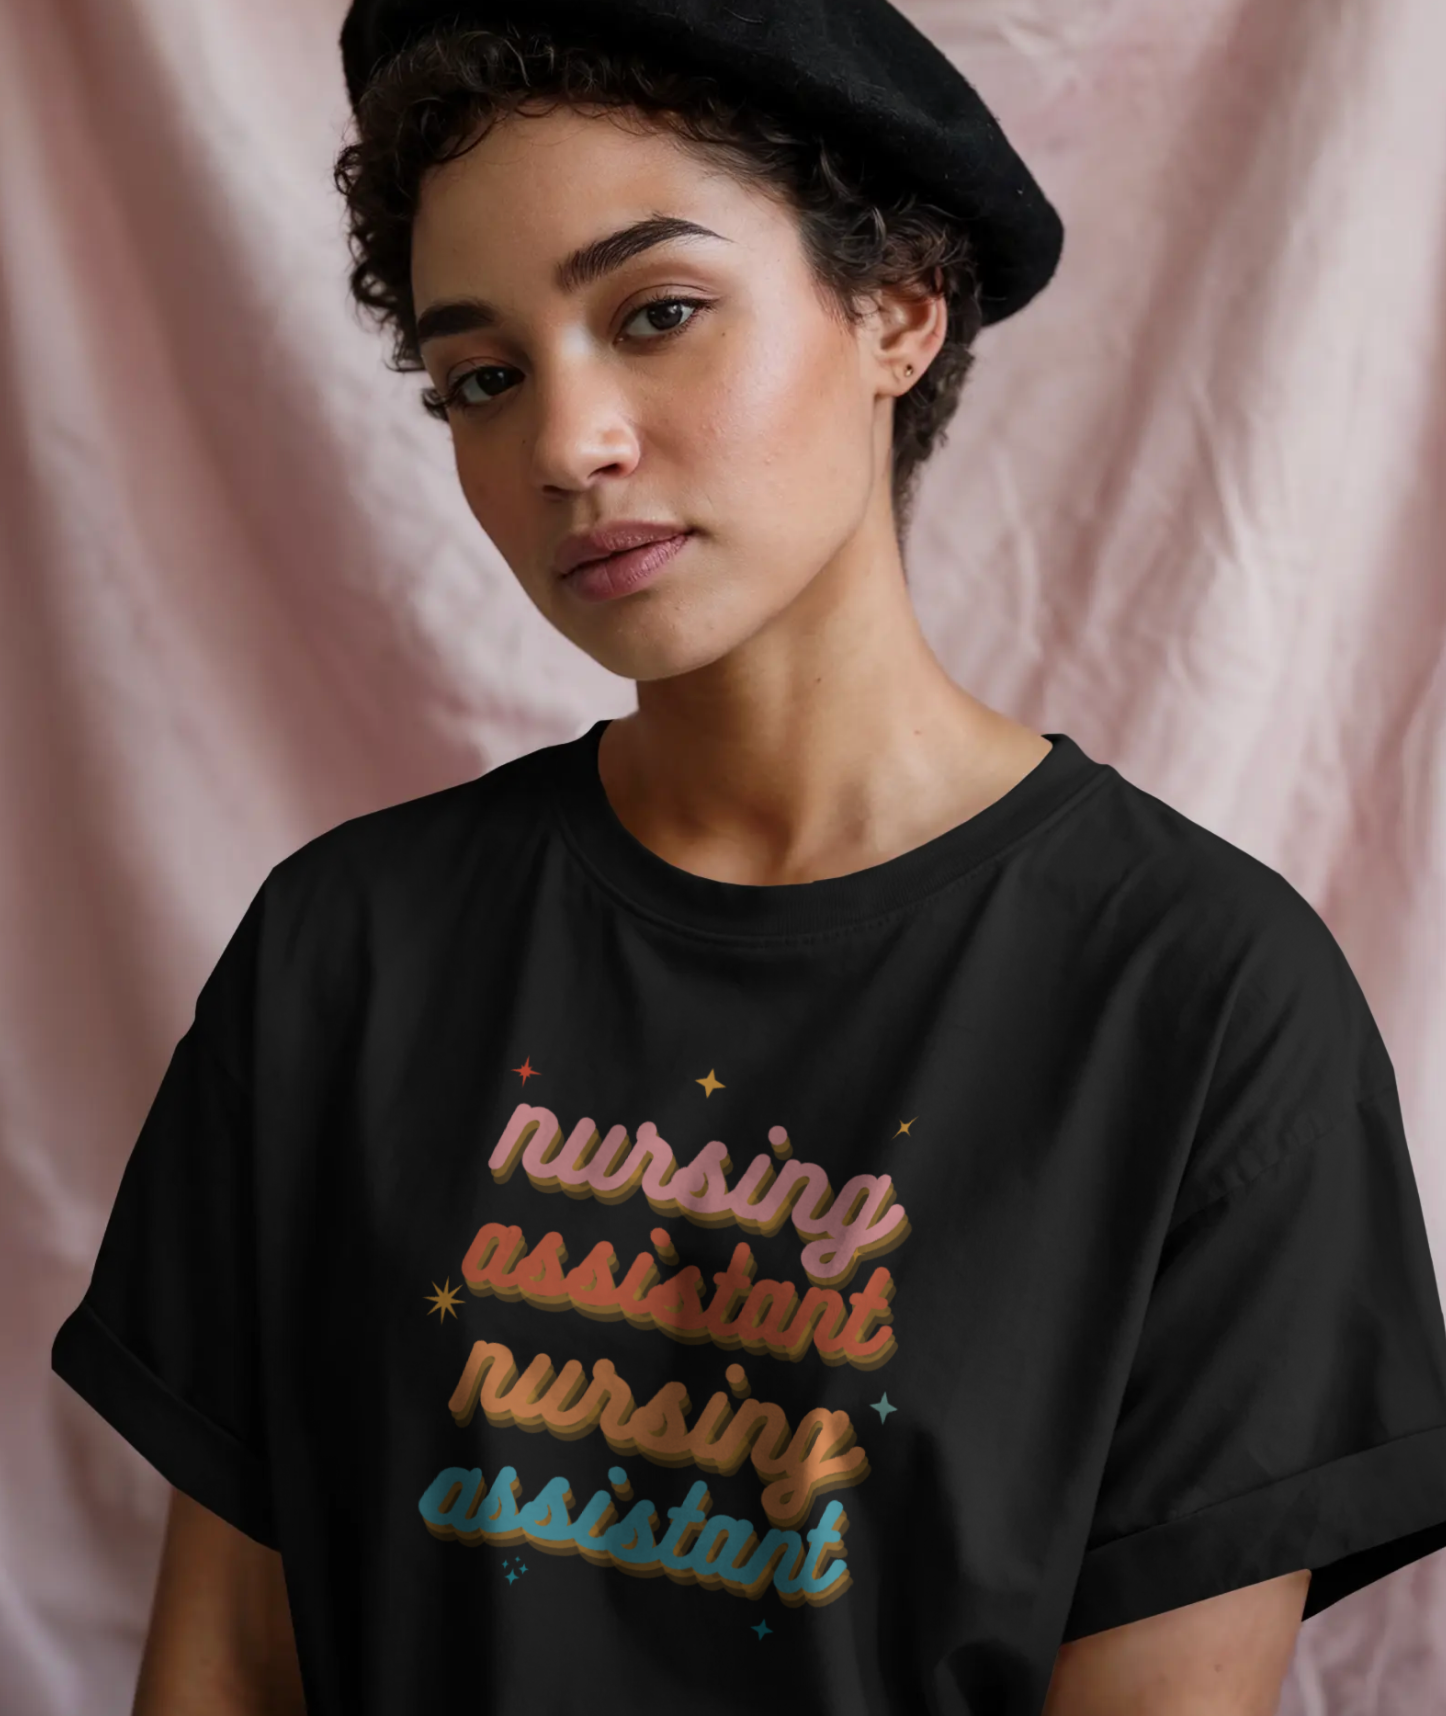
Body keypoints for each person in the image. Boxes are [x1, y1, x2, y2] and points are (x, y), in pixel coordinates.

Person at [51, 3, 1446, 1713]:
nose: (567, 444)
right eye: (484, 378)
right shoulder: (343, 954)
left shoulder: (1201, 1006)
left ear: (898, 308)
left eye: (657, 314)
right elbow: (226, 1660)